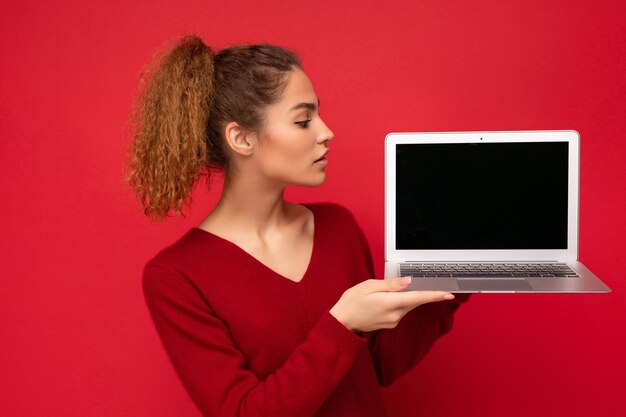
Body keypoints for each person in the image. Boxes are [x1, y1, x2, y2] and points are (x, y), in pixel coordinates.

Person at [125, 34, 472, 417]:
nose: (326, 132)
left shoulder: (337, 227)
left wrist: (462, 265)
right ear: (241, 138)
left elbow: (378, 367)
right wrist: (341, 324)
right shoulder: (176, 277)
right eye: (304, 120)